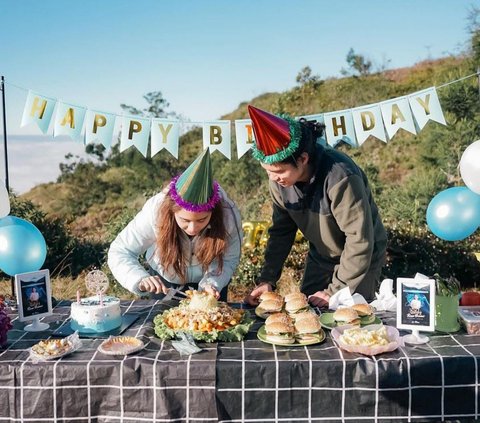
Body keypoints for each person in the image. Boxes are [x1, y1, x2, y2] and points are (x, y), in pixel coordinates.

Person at [244, 105, 387, 308]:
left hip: (362, 257)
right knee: (308, 312)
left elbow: (360, 240)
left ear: (303, 159)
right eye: (267, 172)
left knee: (350, 318)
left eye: (279, 172)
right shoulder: (277, 182)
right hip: (321, 256)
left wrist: (335, 291)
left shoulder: (341, 177)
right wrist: (267, 279)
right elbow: (281, 233)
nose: (274, 178)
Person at [108, 148, 242, 301]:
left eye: (202, 220)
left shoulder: (228, 215)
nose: (193, 229)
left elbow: (230, 259)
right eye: (185, 221)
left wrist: (212, 283)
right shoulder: (156, 210)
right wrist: (140, 278)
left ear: (213, 213)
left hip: (211, 286)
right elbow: (120, 250)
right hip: (164, 282)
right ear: (172, 211)